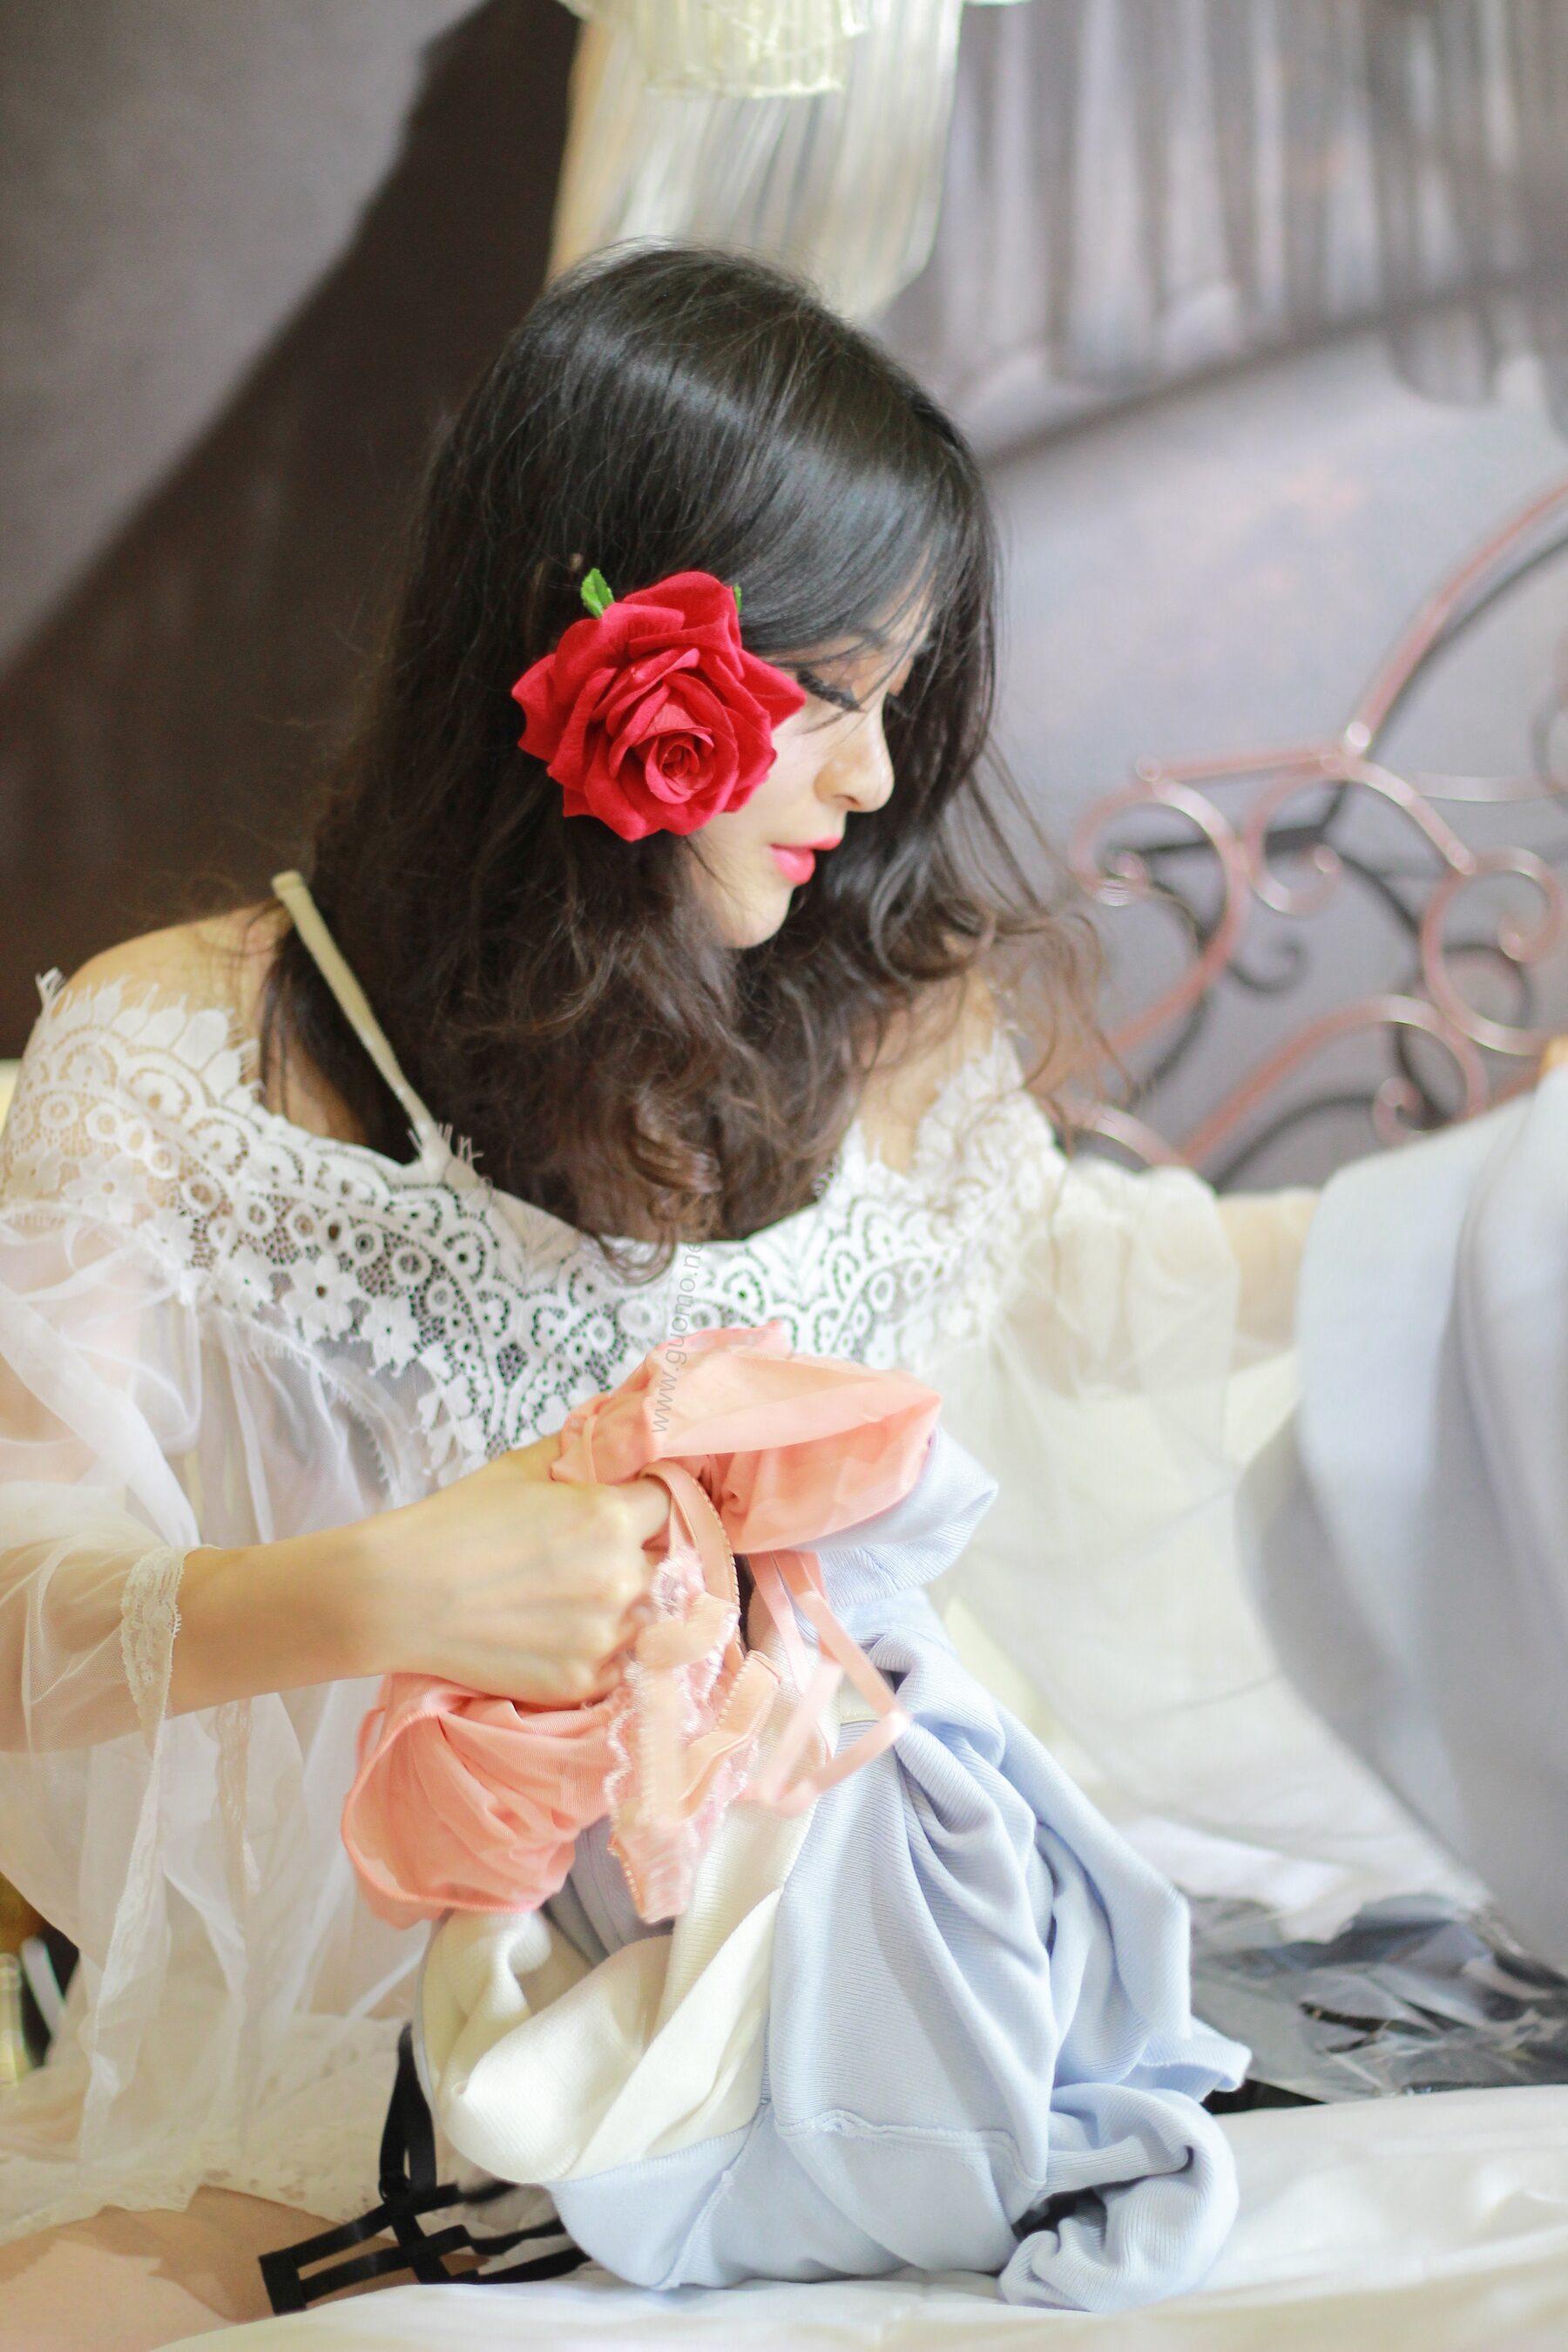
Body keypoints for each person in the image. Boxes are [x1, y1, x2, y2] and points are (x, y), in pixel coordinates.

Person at [0, 240, 1557, 2344]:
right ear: (593, 646)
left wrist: (1507, 1185)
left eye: (903, 703)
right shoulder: (186, 1052)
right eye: (829, 693)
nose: (876, 778)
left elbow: (1109, 1285)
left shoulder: (885, 1031)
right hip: (331, 2081)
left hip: (815, 2021)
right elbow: (19, 1609)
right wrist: (380, 1589)